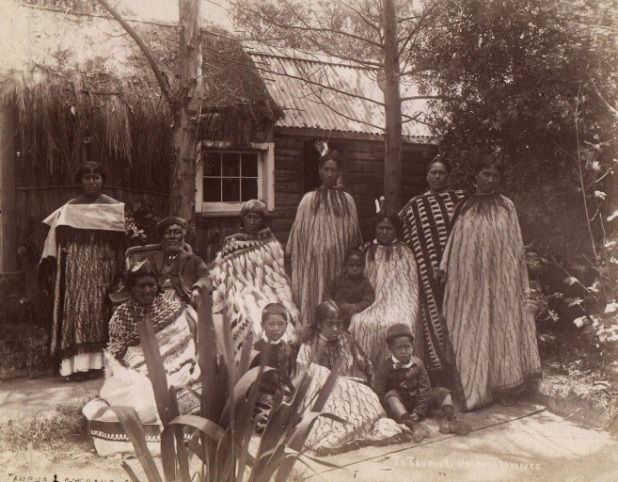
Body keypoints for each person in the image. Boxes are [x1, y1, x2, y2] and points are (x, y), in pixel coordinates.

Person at [439, 156, 542, 410]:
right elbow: (453, 240)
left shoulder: (506, 206)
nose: (491, 180)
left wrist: (513, 277)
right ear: (476, 175)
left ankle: (504, 385)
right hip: (469, 280)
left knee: (500, 327)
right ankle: (474, 386)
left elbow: (515, 244)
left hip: (499, 279)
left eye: (495, 176)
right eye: (486, 174)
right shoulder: (464, 205)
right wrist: (444, 266)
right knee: (471, 327)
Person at [41, 161, 125, 381]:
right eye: (87, 178)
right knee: (77, 311)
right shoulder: (69, 209)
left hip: (104, 267)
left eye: (96, 177)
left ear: (103, 181)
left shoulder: (114, 208)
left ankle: (103, 366)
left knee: (102, 312)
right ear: (80, 182)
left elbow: (121, 241)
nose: (92, 181)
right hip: (77, 270)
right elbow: (56, 239)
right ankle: (77, 367)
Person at [295, 301, 406, 454]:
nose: (335, 329)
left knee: (367, 402)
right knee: (318, 372)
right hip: (323, 394)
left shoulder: (347, 341)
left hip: (351, 389)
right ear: (319, 324)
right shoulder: (308, 346)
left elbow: (367, 365)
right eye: (330, 324)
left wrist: (375, 393)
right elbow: (304, 378)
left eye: (338, 324)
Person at [398, 155, 465, 386]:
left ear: (449, 176)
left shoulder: (459, 200)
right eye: (433, 172)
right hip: (428, 273)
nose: (438, 176)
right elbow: (398, 227)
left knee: (458, 318)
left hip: (458, 271)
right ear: (427, 176)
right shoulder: (415, 205)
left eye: (442, 173)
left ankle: (463, 374)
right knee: (434, 320)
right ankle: (440, 377)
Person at [104, 260, 201, 417]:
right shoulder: (120, 317)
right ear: (131, 289)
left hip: (177, 365)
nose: (148, 290)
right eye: (141, 286)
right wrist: (145, 371)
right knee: (137, 392)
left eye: (151, 284)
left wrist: (171, 365)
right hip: (139, 372)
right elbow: (118, 357)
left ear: (158, 285)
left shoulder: (172, 309)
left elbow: (184, 344)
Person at [211, 200, 299, 358]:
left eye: (256, 218)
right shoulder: (231, 244)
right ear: (242, 219)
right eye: (249, 217)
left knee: (278, 313)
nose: (252, 221)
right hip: (239, 292)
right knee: (244, 316)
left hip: (269, 290)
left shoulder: (271, 244)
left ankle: (278, 358)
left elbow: (278, 277)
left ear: (263, 221)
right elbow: (222, 276)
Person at [286, 150, 362, 329]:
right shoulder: (308, 200)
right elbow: (298, 234)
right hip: (312, 264)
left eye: (334, 170)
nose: (330, 174)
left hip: (338, 262)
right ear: (319, 170)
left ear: (339, 172)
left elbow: (353, 235)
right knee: (314, 297)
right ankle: (311, 333)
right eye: (326, 169)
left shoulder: (347, 201)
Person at [374, 324, 471, 443]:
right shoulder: (385, 368)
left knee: (443, 392)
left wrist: (420, 410)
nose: (404, 351)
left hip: (419, 402)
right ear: (390, 348)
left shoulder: (418, 363)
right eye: (399, 348)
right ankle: (413, 425)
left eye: (407, 347)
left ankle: (448, 420)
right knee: (391, 395)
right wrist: (391, 409)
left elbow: (425, 388)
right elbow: (379, 392)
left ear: (412, 347)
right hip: (400, 407)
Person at [349, 210, 422, 367]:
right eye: (380, 228)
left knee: (397, 322)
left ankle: (396, 369)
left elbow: (409, 286)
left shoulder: (405, 253)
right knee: (359, 321)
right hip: (372, 303)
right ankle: (367, 368)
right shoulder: (368, 251)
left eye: (388, 228)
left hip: (400, 304)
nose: (384, 232)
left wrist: (404, 306)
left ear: (396, 230)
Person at [251, 303, 296, 431]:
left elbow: (289, 374)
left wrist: (291, 392)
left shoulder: (287, 349)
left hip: (283, 395)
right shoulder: (256, 349)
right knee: (265, 424)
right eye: (271, 324)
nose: (276, 328)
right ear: (262, 325)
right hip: (263, 399)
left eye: (281, 324)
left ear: (287, 326)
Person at [149, 215, 211, 306]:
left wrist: (197, 289)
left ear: (183, 236)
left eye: (177, 232)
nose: (172, 236)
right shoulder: (153, 260)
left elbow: (206, 279)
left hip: (184, 304)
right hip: (156, 305)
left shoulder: (194, 260)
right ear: (162, 237)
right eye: (167, 232)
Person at [323, 249, 375, 330]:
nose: (355, 268)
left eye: (358, 265)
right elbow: (327, 293)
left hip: (352, 314)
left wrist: (356, 307)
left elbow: (369, 298)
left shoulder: (365, 283)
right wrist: (332, 305)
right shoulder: (338, 280)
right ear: (345, 266)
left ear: (363, 267)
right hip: (336, 311)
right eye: (351, 265)